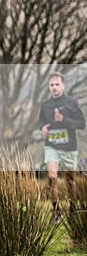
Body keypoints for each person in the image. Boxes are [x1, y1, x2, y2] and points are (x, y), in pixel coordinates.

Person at [39, 71, 85, 221]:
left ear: (63, 85)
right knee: (52, 177)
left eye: (57, 84)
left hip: (69, 147)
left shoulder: (71, 103)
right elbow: (41, 123)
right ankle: (56, 211)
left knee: (70, 180)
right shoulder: (45, 105)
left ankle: (73, 208)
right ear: (48, 87)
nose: (54, 87)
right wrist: (43, 129)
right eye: (51, 85)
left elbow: (81, 124)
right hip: (51, 145)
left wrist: (64, 119)